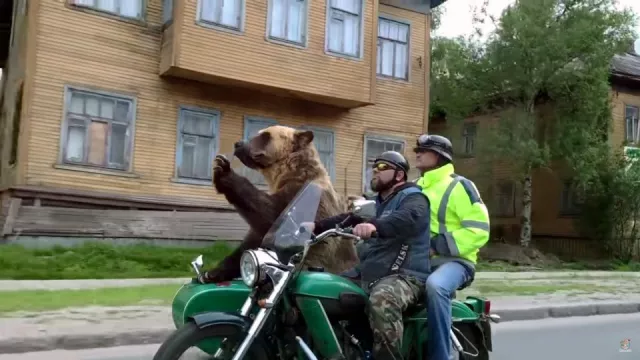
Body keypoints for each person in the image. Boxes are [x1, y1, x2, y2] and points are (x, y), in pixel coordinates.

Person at [304, 151, 431, 360]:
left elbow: (405, 219)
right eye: (374, 166)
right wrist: (315, 226)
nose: (375, 171)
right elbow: (349, 218)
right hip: (370, 271)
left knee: (383, 300)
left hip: (405, 274)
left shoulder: (414, 198)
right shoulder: (375, 203)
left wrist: (374, 225)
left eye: (382, 167)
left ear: (399, 175)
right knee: (321, 288)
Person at [413, 134, 490, 360]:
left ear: (437, 156)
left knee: (436, 287)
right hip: (417, 260)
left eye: (422, 150)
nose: (416, 153)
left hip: (456, 262)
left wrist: (436, 246)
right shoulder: (415, 187)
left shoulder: (461, 186)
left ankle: (440, 356)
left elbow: (479, 230)